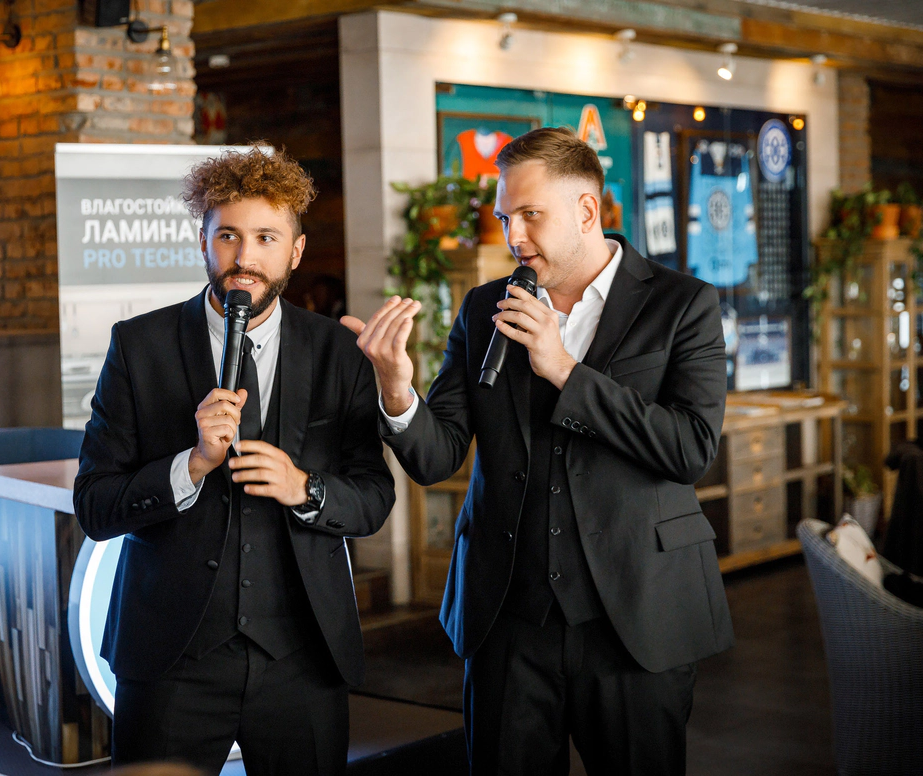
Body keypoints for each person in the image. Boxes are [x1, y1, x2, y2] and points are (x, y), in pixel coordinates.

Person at [342, 126, 734, 775]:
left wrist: (565, 370)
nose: (513, 236)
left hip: (637, 615)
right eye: (504, 218)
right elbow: (437, 457)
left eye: (530, 214)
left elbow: (690, 448)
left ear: (587, 210)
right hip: (506, 619)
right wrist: (396, 388)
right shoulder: (484, 308)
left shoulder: (682, 303)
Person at [75, 146, 395, 775]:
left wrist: (305, 487)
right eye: (228, 236)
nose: (244, 257)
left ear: (295, 252)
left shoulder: (340, 353)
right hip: (171, 659)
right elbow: (94, 505)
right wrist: (191, 464)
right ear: (203, 240)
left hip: (303, 659)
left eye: (266, 238)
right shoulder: (138, 347)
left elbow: (373, 499)